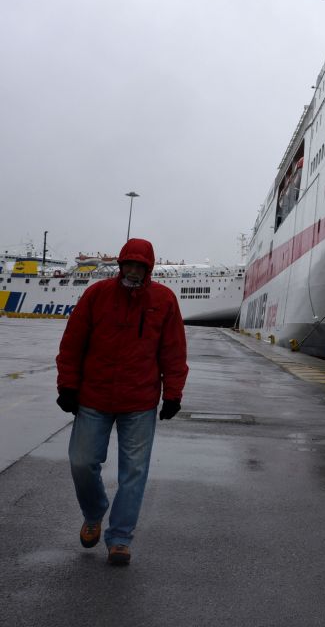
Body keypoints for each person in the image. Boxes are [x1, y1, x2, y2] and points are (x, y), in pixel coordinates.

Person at [55, 237, 188, 566]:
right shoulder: (96, 295)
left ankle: (120, 539)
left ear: (148, 269)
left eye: (139, 266)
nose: (133, 270)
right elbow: (72, 343)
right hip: (94, 396)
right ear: (120, 266)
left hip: (140, 401)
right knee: (81, 462)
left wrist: (173, 394)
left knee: (134, 473)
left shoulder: (164, 300)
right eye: (128, 264)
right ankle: (95, 511)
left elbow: (173, 351)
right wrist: (67, 386)